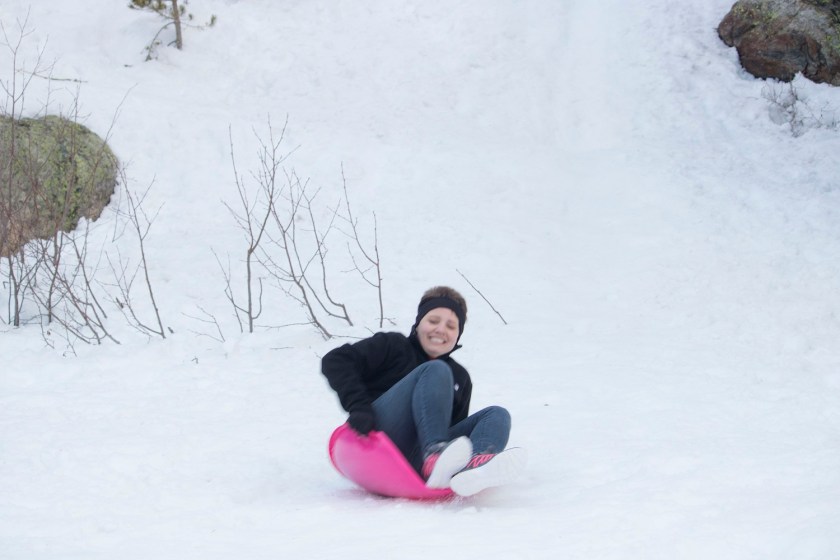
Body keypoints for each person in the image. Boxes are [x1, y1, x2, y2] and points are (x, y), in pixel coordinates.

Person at [321, 285, 514, 491]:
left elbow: (452, 428)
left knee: (497, 415)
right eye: (433, 321)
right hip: (377, 438)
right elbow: (335, 360)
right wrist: (359, 406)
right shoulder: (394, 346)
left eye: (451, 326)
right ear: (418, 323)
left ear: (458, 335)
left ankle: (475, 469)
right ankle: (435, 454)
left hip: (417, 459)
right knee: (435, 370)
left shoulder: (460, 377)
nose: (441, 330)